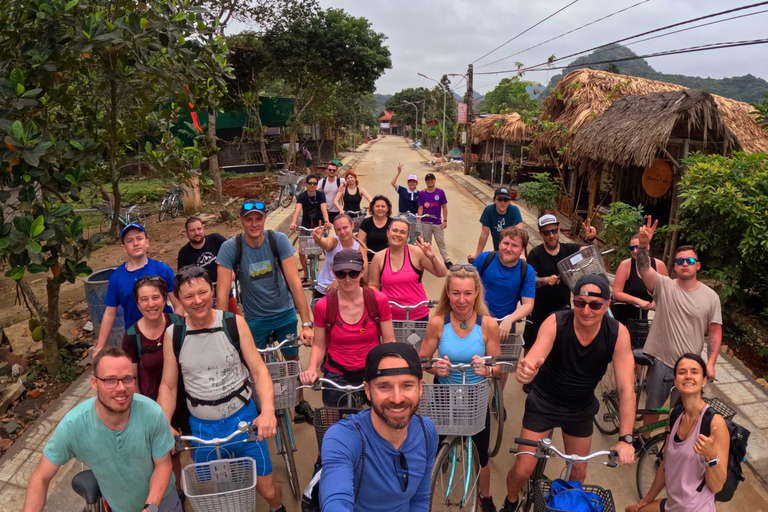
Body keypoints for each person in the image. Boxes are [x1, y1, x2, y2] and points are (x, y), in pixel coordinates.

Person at [502, 274, 636, 512]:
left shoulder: (618, 334)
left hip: (580, 408)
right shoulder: (556, 322)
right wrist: (526, 372)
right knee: (523, 468)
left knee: (577, 474)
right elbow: (532, 360)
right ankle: (511, 500)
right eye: (580, 303)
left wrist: (625, 438)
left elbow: (626, 388)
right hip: (544, 402)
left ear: (607, 304)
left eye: (595, 305)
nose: (586, 311)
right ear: (573, 301)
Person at [157, 266, 286, 512]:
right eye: (188, 297)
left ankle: (277, 508)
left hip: (243, 420)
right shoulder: (175, 334)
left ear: (212, 290)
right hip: (203, 427)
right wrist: (164, 421)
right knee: (208, 493)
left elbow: (259, 370)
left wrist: (268, 410)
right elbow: (168, 385)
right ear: (179, 300)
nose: (197, 301)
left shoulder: (233, 323)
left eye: (203, 292)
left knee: (268, 489)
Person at [24, 347, 181, 512]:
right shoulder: (74, 425)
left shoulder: (152, 413)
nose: (121, 388)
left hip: (161, 503)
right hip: (118, 506)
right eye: (110, 380)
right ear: (94, 383)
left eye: (127, 379)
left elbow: (163, 466)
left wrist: (150, 508)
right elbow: (40, 477)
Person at [217, 199, 315, 422]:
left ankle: (299, 402)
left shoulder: (277, 240)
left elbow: (294, 283)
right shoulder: (231, 248)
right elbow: (222, 294)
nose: (254, 224)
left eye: (258, 219)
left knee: (292, 361)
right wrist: (221, 329)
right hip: (255, 319)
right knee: (254, 367)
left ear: (264, 219)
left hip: (284, 313)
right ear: (241, 221)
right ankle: (262, 406)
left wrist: (307, 323)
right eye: (248, 219)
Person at [418, 266, 501, 512]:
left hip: (475, 397)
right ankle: (424, 493)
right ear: (447, 293)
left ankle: (484, 497)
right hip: (443, 396)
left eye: (467, 293)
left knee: (481, 452)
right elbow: (422, 359)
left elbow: (498, 367)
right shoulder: (437, 324)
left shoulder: (488, 325)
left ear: (477, 293)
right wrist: (436, 368)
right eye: (455, 293)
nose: (461, 300)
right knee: (432, 449)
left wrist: (487, 370)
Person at [320, 343, 438, 512]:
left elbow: (420, 499)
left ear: (420, 388)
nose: (397, 399)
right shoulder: (343, 437)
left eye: (407, 385)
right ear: (367, 390)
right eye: (384, 386)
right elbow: (336, 500)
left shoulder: (427, 432)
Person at [635, 216, 722, 443]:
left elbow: (714, 331)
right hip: (661, 360)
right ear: (674, 266)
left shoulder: (711, 297)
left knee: (682, 413)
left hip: (690, 366)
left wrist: (710, 363)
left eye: (690, 260)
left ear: (698, 265)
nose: (685, 264)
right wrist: (644, 246)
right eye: (680, 261)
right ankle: (645, 441)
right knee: (652, 408)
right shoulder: (664, 286)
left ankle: (668, 449)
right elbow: (644, 269)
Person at [625, 353, 730, 512]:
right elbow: (665, 466)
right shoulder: (675, 415)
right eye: (682, 372)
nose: (688, 376)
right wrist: (645, 501)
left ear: (704, 380)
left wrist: (711, 457)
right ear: (675, 381)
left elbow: (717, 486)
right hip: (673, 505)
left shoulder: (714, 423)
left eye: (694, 372)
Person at [300, 250, 395, 407]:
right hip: (337, 370)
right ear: (333, 273)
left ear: (362, 272)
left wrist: (389, 368)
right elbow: (319, 344)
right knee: (331, 422)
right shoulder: (324, 306)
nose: (347, 279)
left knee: (381, 418)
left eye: (353, 273)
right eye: (341, 274)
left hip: (370, 368)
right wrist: (311, 368)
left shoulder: (378, 300)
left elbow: (389, 341)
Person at [94, 223, 182, 355]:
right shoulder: (116, 277)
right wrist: (99, 348)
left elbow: (178, 304)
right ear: (124, 248)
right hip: (136, 337)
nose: (135, 243)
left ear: (147, 242)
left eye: (139, 238)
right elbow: (109, 313)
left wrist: (177, 330)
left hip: (165, 332)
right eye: (130, 241)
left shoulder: (162, 270)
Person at [522, 214, 597, 350]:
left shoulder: (569, 250)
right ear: (540, 234)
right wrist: (545, 280)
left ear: (559, 229)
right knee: (532, 345)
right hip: (539, 311)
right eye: (546, 232)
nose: (551, 235)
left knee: (560, 348)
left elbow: (591, 253)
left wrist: (591, 239)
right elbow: (530, 279)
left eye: (554, 231)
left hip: (563, 311)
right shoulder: (535, 254)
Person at [369, 217, 447, 321]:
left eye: (402, 232)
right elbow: (373, 285)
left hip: (417, 313)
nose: (397, 235)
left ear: (407, 237)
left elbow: (442, 273)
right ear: (387, 233)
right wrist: (379, 301)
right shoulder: (379, 257)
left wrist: (432, 257)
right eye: (394, 230)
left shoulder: (416, 252)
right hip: (389, 315)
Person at [473, 226, 535, 341]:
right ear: (499, 244)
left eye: (515, 245)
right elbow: (468, 287)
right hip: (476, 320)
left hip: (505, 325)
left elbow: (528, 304)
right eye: (505, 243)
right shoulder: (484, 259)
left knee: (502, 358)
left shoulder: (526, 271)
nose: (509, 248)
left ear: (522, 250)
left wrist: (510, 320)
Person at [177, 217, 237, 313]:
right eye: (192, 230)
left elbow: (232, 253)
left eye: (199, 229)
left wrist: (232, 270)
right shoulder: (184, 253)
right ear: (186, 233)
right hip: (202, 296)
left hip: (223, 287)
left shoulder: (216, 239)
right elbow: (182, 280)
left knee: (235, 318)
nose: (197, 233)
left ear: (203, 229)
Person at [611, 234, 668, 326]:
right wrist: (638, 301)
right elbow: (616, 293)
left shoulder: (659, 265)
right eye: (631, 248)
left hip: (641, 316)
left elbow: (666, 290)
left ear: (647, 246)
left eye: (637, 247)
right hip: (621, 312)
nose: (634, 251)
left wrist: (656, 300)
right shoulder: (625, 265)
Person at [313, 214, 369, 299]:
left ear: (352, 226)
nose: (342, 232)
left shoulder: (360, 247)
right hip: (324, 290)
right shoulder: (334, 242)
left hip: (348, 292)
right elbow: (326, 243)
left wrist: (339, 281)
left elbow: (363, 272)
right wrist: (319, 240)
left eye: (345, 227)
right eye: (338, 229)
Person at [291, 174, 332, 283]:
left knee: (326, 248)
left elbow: (324, 209)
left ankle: (329, 270)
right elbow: (298, 210)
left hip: (319, 225)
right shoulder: (302, 196)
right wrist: (294, 223)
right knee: (301, 250)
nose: (312, 186)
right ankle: (305, 272)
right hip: (306, 225)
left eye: (315, 183)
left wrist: (327, 221)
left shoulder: (321, 195)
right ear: (306, 184)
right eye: (310, 183)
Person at [470, 187, 524, 259]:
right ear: (494, 200)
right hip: (499, 251)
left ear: (509, 202)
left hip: (513, 251)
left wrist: (522, 254)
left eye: (505, 200)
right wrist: (477, 255)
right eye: (500, 199)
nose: (502, 203)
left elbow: (521, 234)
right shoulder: (489, 210)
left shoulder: (514, 210)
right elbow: (484, 234)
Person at [417, 172, 451, 267]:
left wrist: (445, 220)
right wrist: (419, 220)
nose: (430, 181)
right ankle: (428, 260)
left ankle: (447, 260)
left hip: (437, 223)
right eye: (428, 180)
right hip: (425, 223)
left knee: (441, 243)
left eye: (432, 179)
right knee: (427, 243)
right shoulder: (422, 194)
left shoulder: (440, 192)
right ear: (425, 182)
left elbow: (444, 207)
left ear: (435, 181)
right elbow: (420, 207)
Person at [358, 195, 393, 261]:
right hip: (370, 260)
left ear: (387, 208)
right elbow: (360, 244)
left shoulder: (393, 223)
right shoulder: (366, 222)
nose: (380, 209)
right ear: (373, 208)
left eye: (383, 206)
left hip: (389, 259)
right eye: (377, 206)